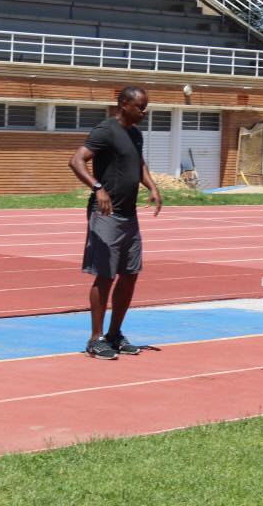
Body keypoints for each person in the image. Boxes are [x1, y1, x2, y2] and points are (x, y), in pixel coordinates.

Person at [68, 86, 162, 360]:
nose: (145, 112)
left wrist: (152, 186)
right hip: (106, 215)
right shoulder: (105, 130)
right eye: (140, 107)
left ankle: (114, 334)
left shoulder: (135, 133)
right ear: (123, 104)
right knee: (106, 275)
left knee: (130, 274)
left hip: (129, 214)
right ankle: (95, 339)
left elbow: (139, 163)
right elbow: (76, 161)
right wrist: (98, 187)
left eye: (146, 107)